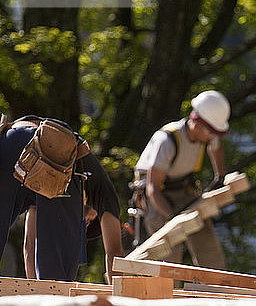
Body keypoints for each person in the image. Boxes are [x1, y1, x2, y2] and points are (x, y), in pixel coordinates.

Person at [0, 115, 124, 282]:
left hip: (8, 139)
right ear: (97, 214)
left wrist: (34, 296)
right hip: (49, 149)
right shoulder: (104, 193)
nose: (85, 222)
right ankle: (56, 303)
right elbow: (115, 255)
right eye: (90, 220)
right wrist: (117, 301)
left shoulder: (41, 191)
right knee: (57, 270)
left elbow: (30, 247)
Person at [133, 90, 229, 269]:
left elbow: (216, 147)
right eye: (210, 133)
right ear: (196, 124)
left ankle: (217, 290)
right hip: (156, 194)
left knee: (205, 236)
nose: (211, 138)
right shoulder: (167, 140)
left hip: (182, 188)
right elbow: (153, 188)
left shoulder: (207, 133)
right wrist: (173, 219)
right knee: (169, 249)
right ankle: (167, 294)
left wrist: (220, 176)